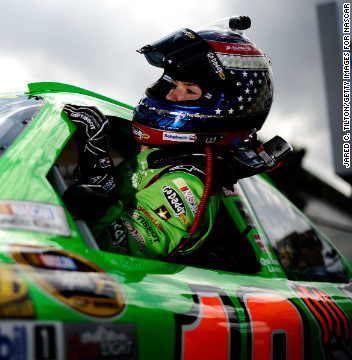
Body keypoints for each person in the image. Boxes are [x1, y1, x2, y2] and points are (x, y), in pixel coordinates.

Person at [63, 16, 286, 260]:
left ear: (223, 109)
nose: (170, 95)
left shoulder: (189, 182)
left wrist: (96, 166)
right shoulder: (162, 156)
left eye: (189, 90)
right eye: (173, 84)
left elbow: (119, 249)